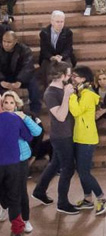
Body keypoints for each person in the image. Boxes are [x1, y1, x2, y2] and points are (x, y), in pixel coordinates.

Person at [32, 61, 79, 215]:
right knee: (68, 168)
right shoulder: (50, 93)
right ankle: (63, 203)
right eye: (68, 73)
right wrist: (66, 95)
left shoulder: (62, 88)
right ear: (61, 75)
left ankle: (39, 190)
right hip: (61, 135)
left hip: (67, 133)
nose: (70, 76)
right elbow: (60, 116)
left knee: (54, 164)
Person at [69, 65, 106, 216]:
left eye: (76, 76)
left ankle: (101, 198)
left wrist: (71, 96)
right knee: (81, 170)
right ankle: (87, 198)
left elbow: (76, 111)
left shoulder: (86, 94)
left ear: (84, 78)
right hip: (80, 136)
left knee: (84, 172)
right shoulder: (81, 92)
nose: (73, 79)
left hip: (87, 138)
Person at [1, 91, 42, 234]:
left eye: (11, 103)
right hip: (5, 159)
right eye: (5, 102)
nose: (8, 105)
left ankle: (25, 220)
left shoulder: (22, 117)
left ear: (16, 104)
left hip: (21, 159)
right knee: (7, 189)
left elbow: (36, 132)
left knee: (21, 192)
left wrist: (24, 117)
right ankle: (5, 207)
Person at [0, 104, 32, 236]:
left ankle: (3, 205)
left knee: (7, 197)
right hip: (13, 164)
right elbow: (28, 136)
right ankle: (17, 230)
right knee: (14, 196)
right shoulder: (14, 118)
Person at [0, 31, 41, 114]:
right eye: (4, 41)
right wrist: (1, 81)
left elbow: (28, 66)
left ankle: (35, 111)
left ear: (15, 41)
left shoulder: (24, 50)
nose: (6, 44)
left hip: (20, 77)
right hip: (3, 77)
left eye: (9, 42)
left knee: (33, 84)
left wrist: (20, 80)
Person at [39, 10, 77, 86]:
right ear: (52, 21)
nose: (60, 24)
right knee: (45, 67)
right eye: (57, 22)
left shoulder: (68, 32)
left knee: (68, 66)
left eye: (61, 22)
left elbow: (68, 49)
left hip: (63, 56)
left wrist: (61, 56)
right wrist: (51, 57)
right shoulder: (44, 33)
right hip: (49, 57)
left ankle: (68, 88)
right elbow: (44, 49)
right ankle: (48, 89)